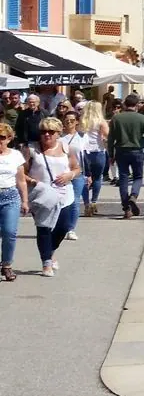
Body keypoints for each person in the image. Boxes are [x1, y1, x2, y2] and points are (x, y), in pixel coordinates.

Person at [27, 118, 77, 277]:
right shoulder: (31, 149)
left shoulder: (67, 148)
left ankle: (50, 250)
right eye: (43, 131)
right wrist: (34, 182)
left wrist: (70, 174)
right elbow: (21, 173)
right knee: (44, 228)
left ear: (58, 133)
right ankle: (46, 263)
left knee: (63, 226)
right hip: (42, 195)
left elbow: (77, 168)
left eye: (51, 132)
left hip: (64, 194)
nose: (46, 134)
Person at [108, 95, 144, 218]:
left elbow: (110, 138)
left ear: (124, 104)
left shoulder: (116, 118)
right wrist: (141, 136)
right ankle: (133, 195)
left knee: (123, 178)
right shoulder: (142, 118)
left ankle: (126, 208)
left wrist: (111, 154)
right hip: (137, 150)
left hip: (121, 150)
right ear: (137, 104)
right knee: (138, 177)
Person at [58, 112, 90, 240]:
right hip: (61, 173)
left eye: (72, 120)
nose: (69, 123)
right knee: (61, 201)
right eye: (67, 120)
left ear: (77, 122)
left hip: (77, 173)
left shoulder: (82, 136)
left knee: (75, 201)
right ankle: (59, 226)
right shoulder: (59, 137)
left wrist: (88, 174)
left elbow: (86, 157)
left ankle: (71, 229)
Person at [78, 102, 108, 208]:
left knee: (85, 178)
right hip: (98, 151)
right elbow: (106, 135)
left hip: (84, 152)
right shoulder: (101, 122)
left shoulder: (81, 121)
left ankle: (86, 203)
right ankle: (94, 201)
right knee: (97, 178)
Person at [0, 124, 20, 281]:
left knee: (9, 232)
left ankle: (6, 265)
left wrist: (26, 200)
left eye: (2, 138)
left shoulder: (15, 155)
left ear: (9, 139)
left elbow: (21, 180)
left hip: (10, 196)